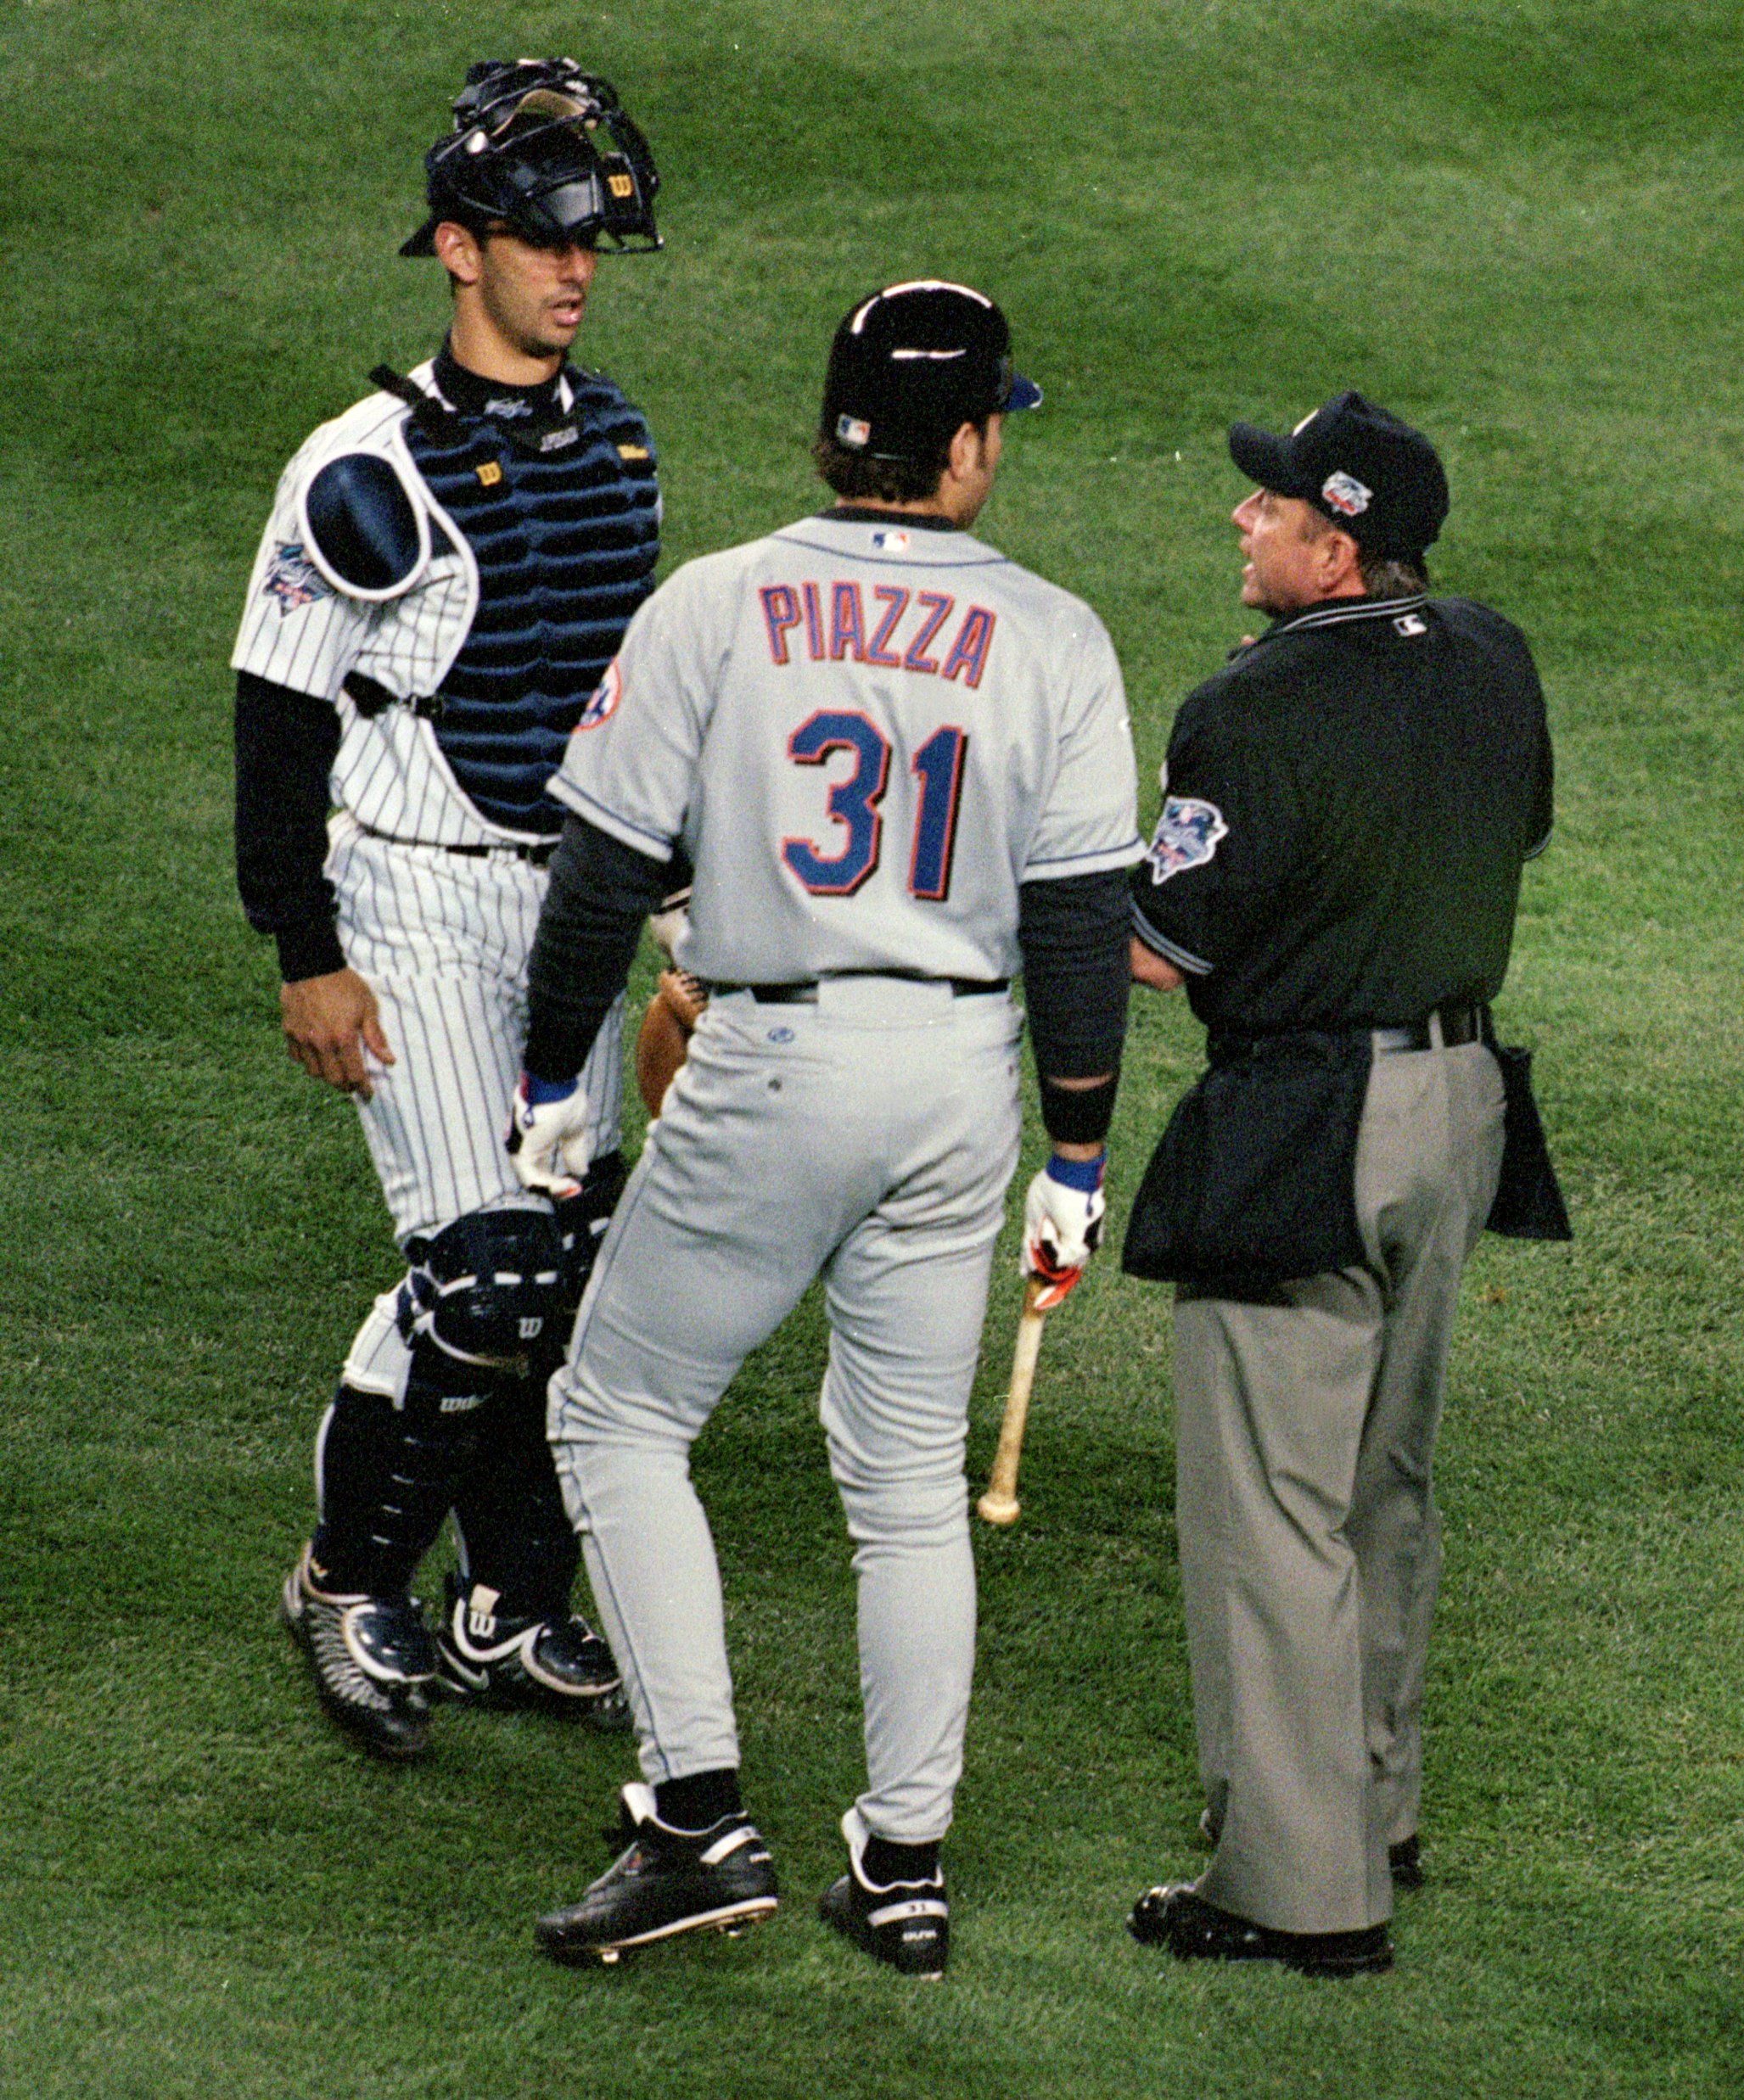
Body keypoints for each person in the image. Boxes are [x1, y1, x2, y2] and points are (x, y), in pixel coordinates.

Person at [511, 279, 1142, 1976]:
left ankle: (698, 1822)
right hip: (956, 1081)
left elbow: (598, 878)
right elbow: (1083, 931)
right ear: (962, 445)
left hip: (771, 1059)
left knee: (618, 1408)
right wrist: (1073, 1163)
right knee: (906, 1479)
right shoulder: (1057, 633)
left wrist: (550, 1089)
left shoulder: (715, 604)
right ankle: (905, 1858)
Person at [232, 58, 665, 1761]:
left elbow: (628, 711)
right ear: (454, 248)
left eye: (588, 245)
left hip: (573, 915)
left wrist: (682, 930)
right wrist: (307, 951)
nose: (572, 271)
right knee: (484, 1276)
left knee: (559, 1281)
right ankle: (347, 1577)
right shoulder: (359, 473)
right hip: (407, 899)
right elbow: (275, 722)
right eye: (541, 239)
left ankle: (507, 1599)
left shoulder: (617, 441)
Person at [1117, 393, 1562, 1976]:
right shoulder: (1493, 652)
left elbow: (1163, 960)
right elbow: (1519, 824)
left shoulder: (1247, 710)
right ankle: (1377, 1810)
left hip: (1312, 1120)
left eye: (1273, 506)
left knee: (1274, 1510)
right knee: (1385, 1484)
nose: (1245, 518)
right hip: (1466, 1106)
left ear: (1341, 544)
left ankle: (1300, 1896)